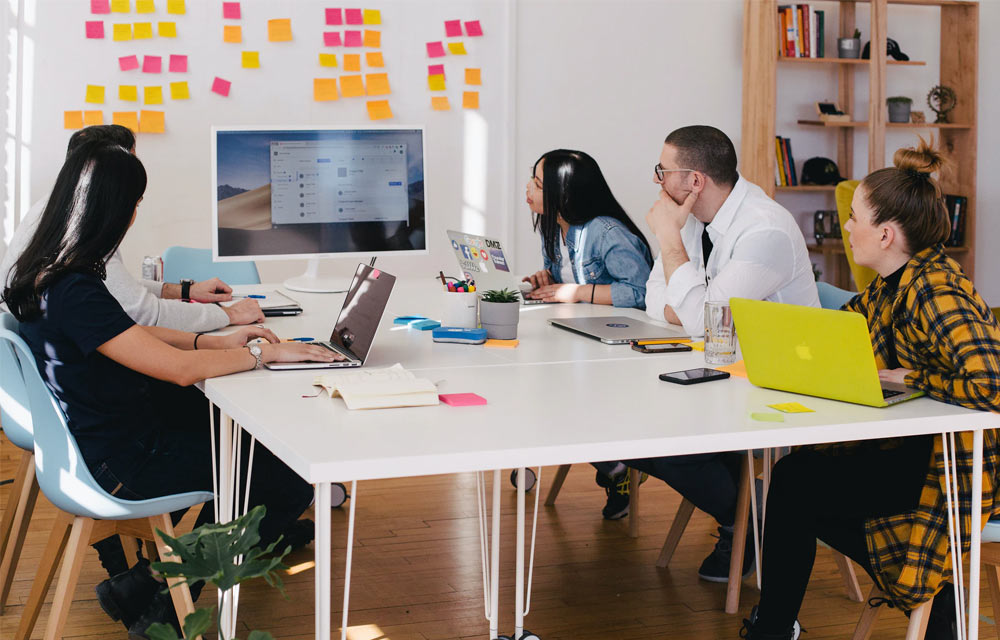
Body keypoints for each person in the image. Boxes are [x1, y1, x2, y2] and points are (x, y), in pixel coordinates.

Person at [1, 141, 343, 638]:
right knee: (282, 477)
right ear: (118, 208)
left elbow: (130, 335)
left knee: (243, 442)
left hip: (98, 439)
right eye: (136, 204)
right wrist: (260, 354)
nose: (137, 215)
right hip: (118, 462)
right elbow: (176, 369)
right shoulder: (75, 287)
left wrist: (213, 338)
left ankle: (144, 585)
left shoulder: (49, 272)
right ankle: (162, 601)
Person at [741, 140, 1000, 640]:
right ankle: (933, 604)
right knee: (800, 481)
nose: (846, 225)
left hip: (950, 465)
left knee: (796, 483)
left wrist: (911, 378)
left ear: (885, 233)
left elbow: (991, 381)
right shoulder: (890, 284)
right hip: (912, 448)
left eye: (855, 216)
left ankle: (777, 628)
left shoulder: (935, 289)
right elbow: (839, 336)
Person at [620, 126, 819, 583]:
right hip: (724, 370)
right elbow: (657, 299)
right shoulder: (696, 220)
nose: (657, 182)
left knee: (668, 446)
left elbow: (701, 320)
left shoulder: (763, 230)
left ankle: (748, 522)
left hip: (775, 383)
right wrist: (689, 300)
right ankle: (742, 508)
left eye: (662, 172)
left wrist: (670, 243)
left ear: (694, 181)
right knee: (633, 433)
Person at [0, 125, 264, 331]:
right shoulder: (80, 231)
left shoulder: (53, 212)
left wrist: (184, 291)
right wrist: (228, 315)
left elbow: (112, 289)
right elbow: (144, 314)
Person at [522, 149, 653, 308]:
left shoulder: (607, 233)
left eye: (537, 184)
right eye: (532, 179)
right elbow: (570, 279)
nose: (528, 187)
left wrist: (577, 292)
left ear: (564, 194)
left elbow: (641, 292)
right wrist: (550, 280)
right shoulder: (553, 226)